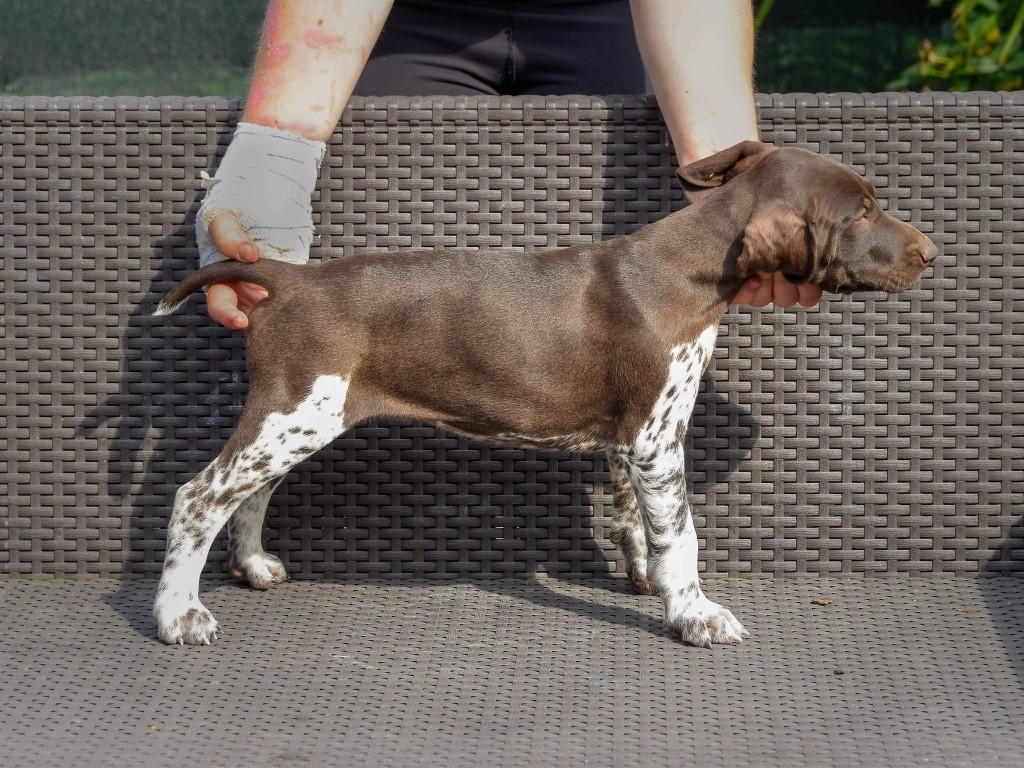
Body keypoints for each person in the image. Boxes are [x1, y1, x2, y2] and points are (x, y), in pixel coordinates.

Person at [198, 0, 823, 330]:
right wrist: (270, 164)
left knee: (682, 258)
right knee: (354, 255)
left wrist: (733, 183)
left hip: (621, 12)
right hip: (405, 18)